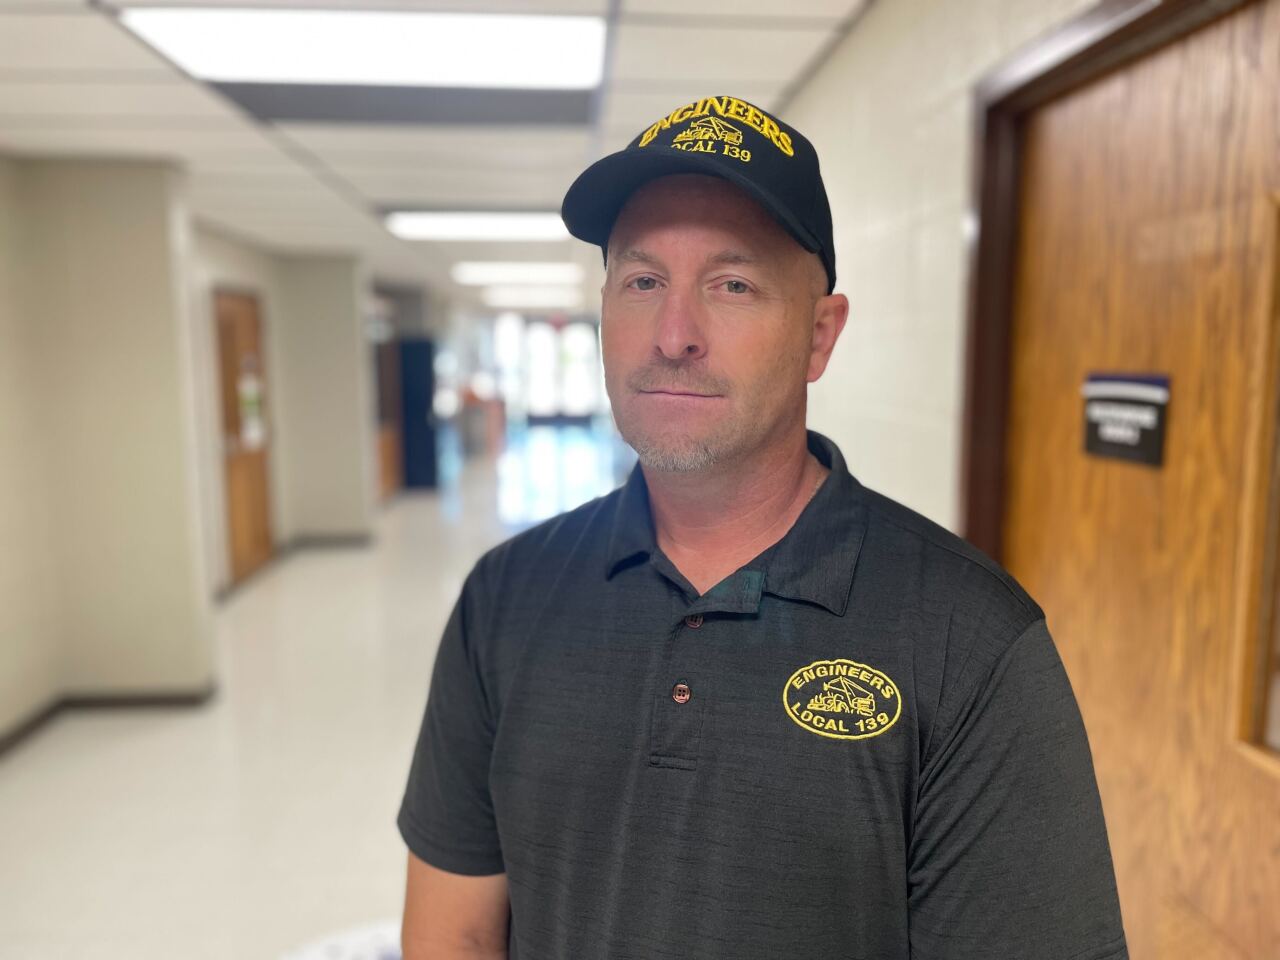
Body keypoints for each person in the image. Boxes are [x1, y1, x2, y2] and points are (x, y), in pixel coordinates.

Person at [397, 95, 1128, 960]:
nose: (673, 335)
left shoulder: (969, 641)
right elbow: (454, 933)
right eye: (642, 281)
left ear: (820, 335)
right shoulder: (506, 598)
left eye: (732, 285)